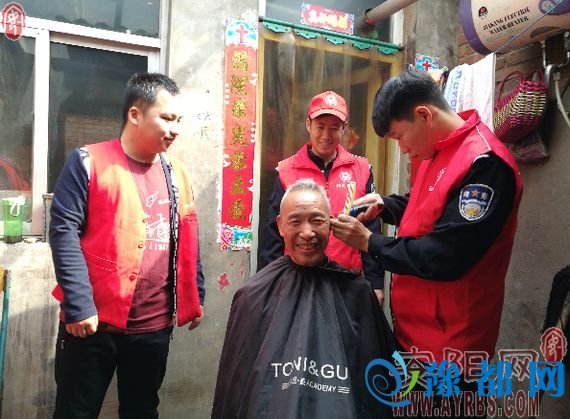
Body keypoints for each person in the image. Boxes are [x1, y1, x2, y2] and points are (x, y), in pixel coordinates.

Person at [331, 69, 523, 413]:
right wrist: (387, 204)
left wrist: (370, 243)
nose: (403, 149)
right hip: (415, 336)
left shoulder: (485, 164)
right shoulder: (436, 150)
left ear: (424, 114)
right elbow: (429, 204)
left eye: (399, 136)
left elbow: (446, 254)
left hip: (452, 351)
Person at [49, 72, 205, 419]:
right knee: (76, 411)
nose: (175, 129)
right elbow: (62, 230)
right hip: (92, 323)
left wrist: (196, 294)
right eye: (167, 118)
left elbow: (187, 235)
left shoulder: (177, 173)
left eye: (178, 120)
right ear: (135, 114)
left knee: (142, 410)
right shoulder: (88, 162)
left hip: (153, 326)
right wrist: (78, 304)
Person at [212, 179, 395, 419]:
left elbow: (375, 389)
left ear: (330, 223)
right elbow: (235, 389)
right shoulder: (252, 295)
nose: (307, 233)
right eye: (295, 221)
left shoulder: (358, 294)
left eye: (317, 220)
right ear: (280, 225)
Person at [259, 91, 385, 304]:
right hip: (297, 281)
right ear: (308, 124)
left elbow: (371, 228)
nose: (326, 135)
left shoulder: (362, 169)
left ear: (344, 128)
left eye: (334, 128)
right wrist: (269, 284)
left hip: (346, 280)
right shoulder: (286, 171)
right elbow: (273, 235)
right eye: (320, 127)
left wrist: (375, 282)